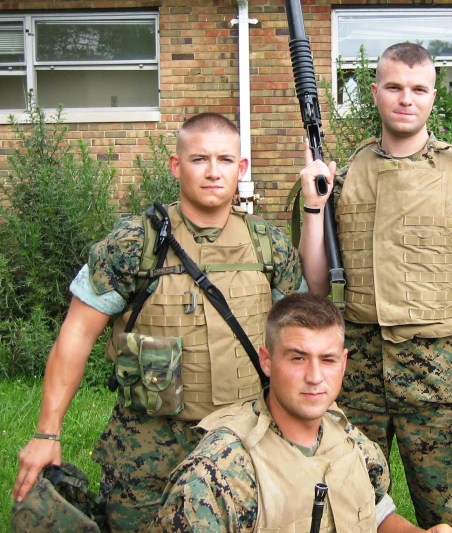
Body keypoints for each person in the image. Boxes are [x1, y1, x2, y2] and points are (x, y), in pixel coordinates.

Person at [13, 112, 306, 532]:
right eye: (198, 159)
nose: (212, 172)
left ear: (241, 168)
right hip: (145, 451)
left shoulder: (270, 247)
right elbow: (77, 333)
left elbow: (298, 345)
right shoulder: (135, 245)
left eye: (225, 160)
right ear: (176, 165)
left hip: (243, 445)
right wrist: (47, 434)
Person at [299, 42, 452, 532]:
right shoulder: (346, 178)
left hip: (442, 380)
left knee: (449, 516)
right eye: (394, 87)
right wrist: (314, 206)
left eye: (418, 89)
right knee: (350, 509)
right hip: (360, 378)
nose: (405, 99)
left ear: (435, 96)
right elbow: (315, 287)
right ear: (374, 93)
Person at [150, 292, 452, 533]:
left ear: (344, 362)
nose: (314, 376)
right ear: (267, 361)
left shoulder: (352, 442)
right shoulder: (219, 474)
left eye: (328, 360)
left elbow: (376, 514)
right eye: (298, 358)